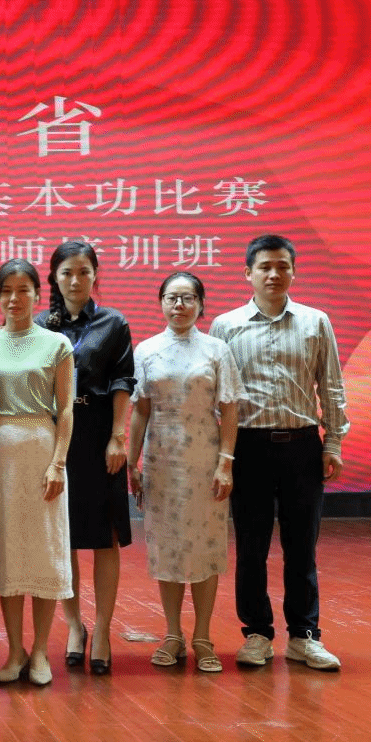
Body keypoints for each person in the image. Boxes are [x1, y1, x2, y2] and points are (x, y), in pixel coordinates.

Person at [210, 234, 349, 671]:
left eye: (282, 266)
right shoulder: (226, 326)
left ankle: (304, 636)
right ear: (247, 273)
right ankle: (256, 634)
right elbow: (217, 396)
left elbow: (331, 385)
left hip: (302, 447)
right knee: (251, 548)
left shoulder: (315, 322)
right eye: (265, 267)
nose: (274, 274)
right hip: (248, 448)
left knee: (301, 548)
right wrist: (223, 456)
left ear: (293, 271)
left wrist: (333, 442)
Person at [130, 272, 243, 673]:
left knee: (205, 548)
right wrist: (131, 462)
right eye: (172, 297)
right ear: (161, 302)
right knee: (168, 548)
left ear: (200, 304)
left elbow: (229, 408)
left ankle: (203, 636)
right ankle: (173, 634)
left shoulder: (216, 349)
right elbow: (141, 409)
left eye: (188, 297)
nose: (179, 305)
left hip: (204, 461)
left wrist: (225, 462)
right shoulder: (146, 350)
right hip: (161, 460)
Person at [35, 241, 135, 675]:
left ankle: (105, 630)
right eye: (66, 273)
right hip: (56, 437)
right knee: (65, 536)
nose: (75, 280)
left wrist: (118, 436)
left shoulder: (114, 323)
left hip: (98, 436)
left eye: (83, 272)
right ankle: (75, 626)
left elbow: (122, 381)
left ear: (95, 275)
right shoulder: (40, 324)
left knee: (105, 537)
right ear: (54, 278)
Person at [0, 258, 73, 687]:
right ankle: (15, 650)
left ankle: (40, 651)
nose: (14, 298)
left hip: (42, 449)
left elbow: (65, 409)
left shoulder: (56, 344)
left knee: (45, 551)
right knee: (9, 550)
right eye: (6, 291)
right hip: (0, 454)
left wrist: (58, 463)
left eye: (23, 290)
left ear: (37, 295)